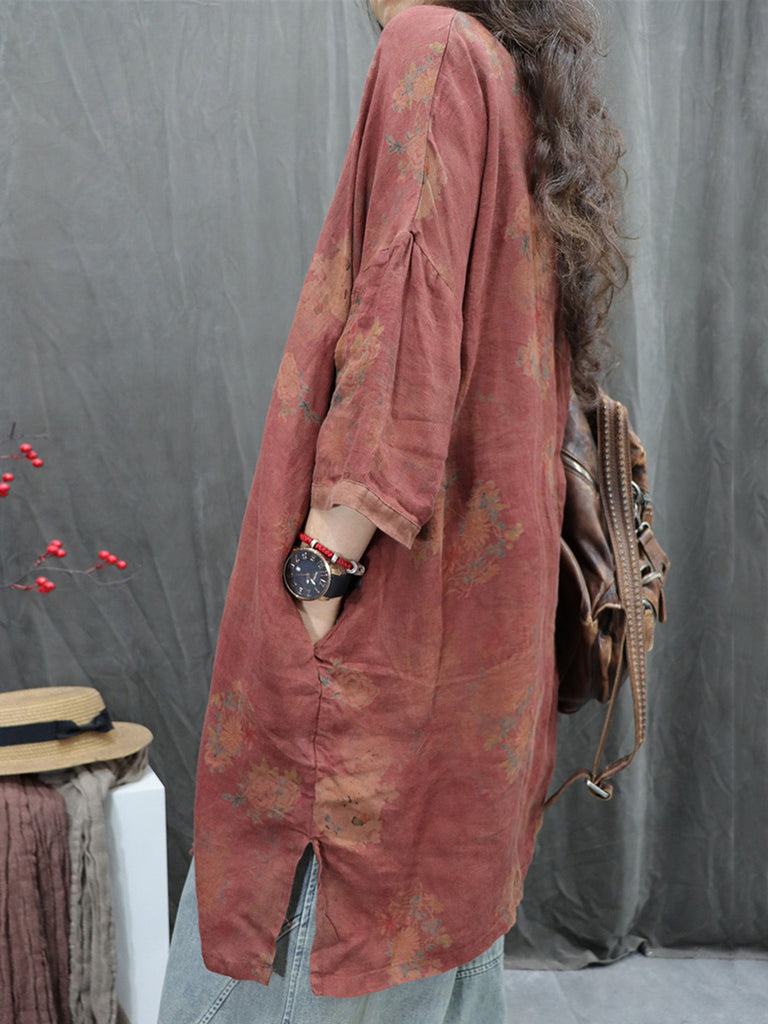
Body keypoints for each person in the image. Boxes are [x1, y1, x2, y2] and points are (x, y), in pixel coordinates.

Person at [158, 1, 627, 1020]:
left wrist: (319, 574)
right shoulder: (502, 69)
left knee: (299, 951)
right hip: (473, 681)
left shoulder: (434, 48)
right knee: (437, 942)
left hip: (383, 670)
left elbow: (404, 332)